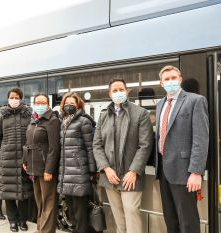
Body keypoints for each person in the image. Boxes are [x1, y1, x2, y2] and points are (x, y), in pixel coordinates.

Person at [93, 78, 153, 233]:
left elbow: (145, 145)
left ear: (127, 91)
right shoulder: (104, 115)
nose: (118, 93)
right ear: (109, 93)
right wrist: (106, 168)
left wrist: (133, 171)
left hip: (130, 177)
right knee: (119, 218)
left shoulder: (140, 113)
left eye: (121, 89)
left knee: (131, 214)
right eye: (115, 90)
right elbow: (97, 145)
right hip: (110, 176)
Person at [155, 65, 209, 233]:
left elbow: (201, 138)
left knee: (188, 221)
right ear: (161, 83)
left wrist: (196, 172)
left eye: (173, 78)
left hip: (185, 172)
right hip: (164, 170)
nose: (170, 81)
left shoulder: (195, 100)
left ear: (180, 79)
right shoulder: (160, 104)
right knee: (170, 219)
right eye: (166, 79)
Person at [0, 87, 33, 232]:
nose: (14, 100)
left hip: (25, 159)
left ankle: (23, 220)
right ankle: (12, 221)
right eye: (12, 97)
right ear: (8, 98)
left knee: (24, 192)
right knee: (8, 192)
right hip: (7, 159)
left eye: (17, 97)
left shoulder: (28, 115)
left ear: (21, 99)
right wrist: (4, 149)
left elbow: (33, 135)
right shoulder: (2, 117)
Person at [57, 92, 96, 233]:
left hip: (80, 173)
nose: (69, 106)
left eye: (72, 104)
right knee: (71, 212)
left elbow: (90, 147)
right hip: (66, 173)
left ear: (78, 105)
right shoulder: (63, 122)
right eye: (66, 103)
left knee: (81, 213)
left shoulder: (83, 121)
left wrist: (92, 171)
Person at [23, 94, 61, 233]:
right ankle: (40, 228)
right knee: (40, 201)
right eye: (37, 102)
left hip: (46, 169)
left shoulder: (52, 121)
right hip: (34, 167)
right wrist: (25, 160)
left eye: (42, 102)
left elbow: (54, 148)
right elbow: (28, 143)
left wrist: (49, 170)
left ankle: (46, 231)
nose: (39, 105)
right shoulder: (34, 120)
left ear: (48, 104)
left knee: (49, 202)